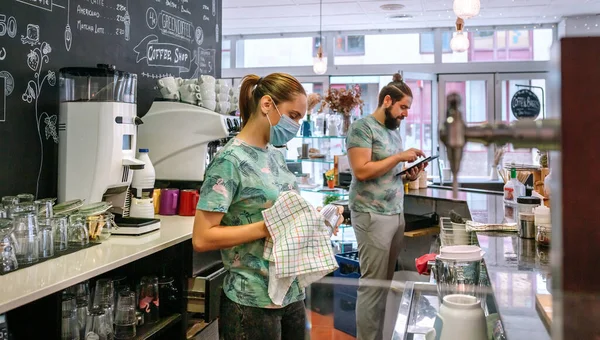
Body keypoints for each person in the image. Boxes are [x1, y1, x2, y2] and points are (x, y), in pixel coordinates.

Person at [192, 73, 341, 340]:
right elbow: (203, 238)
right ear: (267, 105)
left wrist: (314, 220)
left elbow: (281, 212)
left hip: (290, 293)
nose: (296, 125)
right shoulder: (229, 161)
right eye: (293, 116)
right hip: (250, 302)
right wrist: (266, 228)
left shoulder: (275, 155)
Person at [346, 73, 428, 340]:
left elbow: (388, 173)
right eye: (403, 107)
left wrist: (409, 173)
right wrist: (399, 157)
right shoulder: (362, 127)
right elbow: (361, 170)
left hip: (394, 213)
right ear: (387, 100)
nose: (405, 114)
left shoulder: (393, 132)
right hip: (371, 215)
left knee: (383, 284)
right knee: (372, 286)